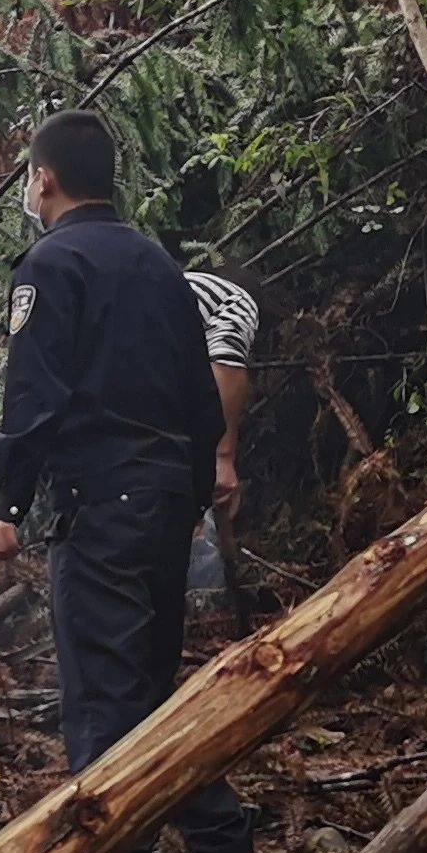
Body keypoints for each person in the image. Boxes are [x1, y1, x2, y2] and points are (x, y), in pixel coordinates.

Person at [0, 110, 248, 853]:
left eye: (31, 177)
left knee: (101, 687)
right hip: (166, 496)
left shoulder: (50, 266)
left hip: (102, 498)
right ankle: (216, 834)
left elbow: (33, 394)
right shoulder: (159, 263)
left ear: (45, 178)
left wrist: (8, 502)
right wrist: (198, 483)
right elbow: (202, 391)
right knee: (146, 678)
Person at [186, 263, 262, 620]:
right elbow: (228, 359)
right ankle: (208, 615)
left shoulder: (168, 296)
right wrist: (222, 456)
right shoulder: (236, 299)